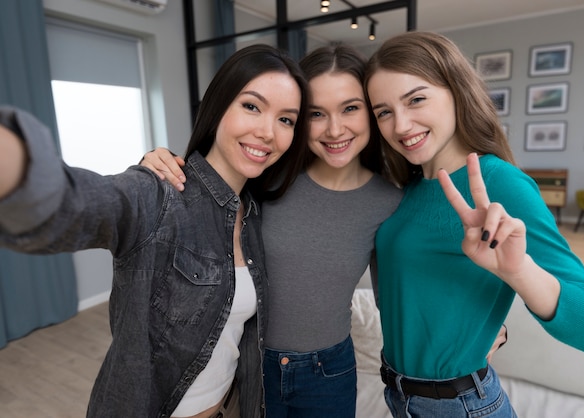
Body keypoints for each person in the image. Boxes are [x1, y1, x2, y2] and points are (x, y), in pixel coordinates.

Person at [141, 44, 508, 417]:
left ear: (372, 112)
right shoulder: (267, 179)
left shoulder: (389, 201)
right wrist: (156, 165)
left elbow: (400, 294)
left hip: (328, 372)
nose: (335, 130)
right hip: (252, 362)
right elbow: (204, 199)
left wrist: (482, 325)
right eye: (317, 113)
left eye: (351, 108)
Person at [0, 44, 310, 418]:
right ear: (218, 107)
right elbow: (75, 203)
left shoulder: (257, 213)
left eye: (286, 120)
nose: (267, 132)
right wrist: (16, 164)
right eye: (251, 106)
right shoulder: (157, 194)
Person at [363, 31, 584, 417]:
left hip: (459, 405)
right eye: (383, 111)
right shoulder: (409, 187)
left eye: (416, 99)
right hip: (400, 395)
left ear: (456, 91)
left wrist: (519, 271)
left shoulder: (501, 183)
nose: (400, 125)